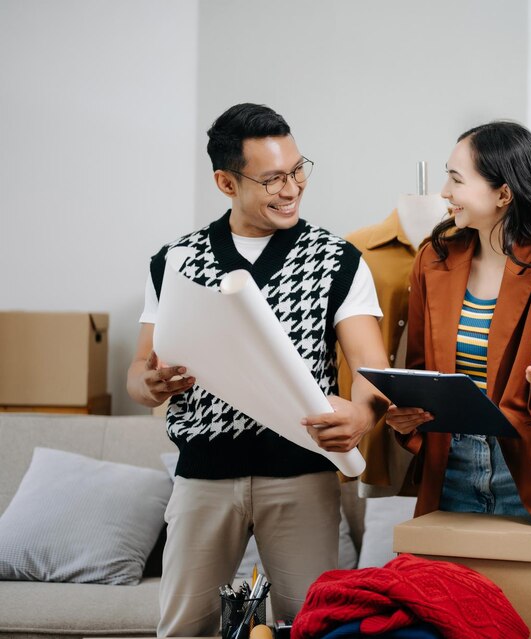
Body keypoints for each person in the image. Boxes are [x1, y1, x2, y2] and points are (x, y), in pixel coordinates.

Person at [126, 103, 389, 637]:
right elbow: (138, 373)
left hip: (301, 475)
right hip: (203, 479)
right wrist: (150, 383)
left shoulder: (337, 259)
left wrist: (362, 412)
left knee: (313, 629)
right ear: (226, 181)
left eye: (297, 170)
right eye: (272, 178)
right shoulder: (175, 261)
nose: (291, 188)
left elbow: (372, 366)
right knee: (184, 631)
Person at [386, 121, 531, 532]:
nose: (444, 192)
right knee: (444, 594)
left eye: (456, 179)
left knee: (524, 597)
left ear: (503, 193)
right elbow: (421, 371)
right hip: (451, 466)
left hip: (529, 470)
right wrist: (405, 414)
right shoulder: (433, 258)